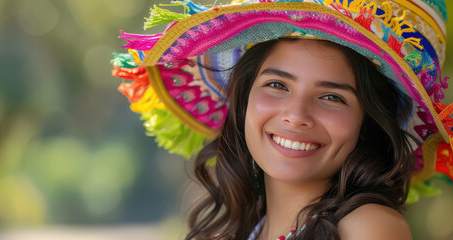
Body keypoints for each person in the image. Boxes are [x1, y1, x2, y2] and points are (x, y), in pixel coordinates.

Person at [111, 0, 452, 239]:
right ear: (243, 100)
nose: (296, 115)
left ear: (368, 122)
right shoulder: (227, 234)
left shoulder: (368, 228)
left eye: (332, 97)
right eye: (277, 85)